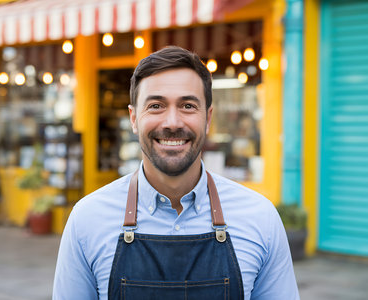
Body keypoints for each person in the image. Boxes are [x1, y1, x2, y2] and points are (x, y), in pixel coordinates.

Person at [53, 46, 299, 300]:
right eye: (156, 105)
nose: (172, 122)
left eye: (188, 106)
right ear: (134, 118)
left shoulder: (260, 218)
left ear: (208, 118)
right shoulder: (87, 220)